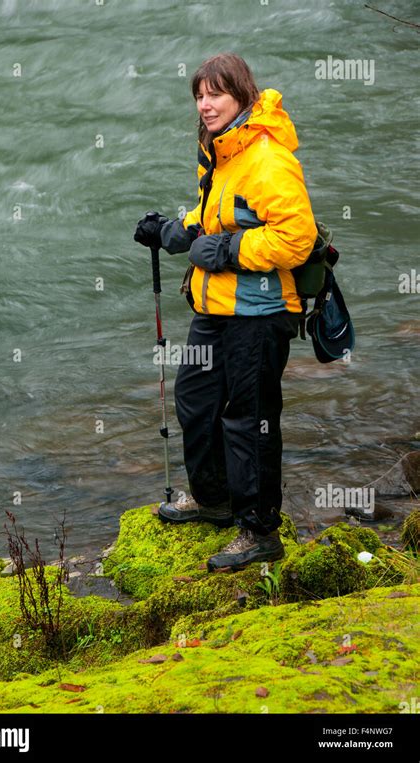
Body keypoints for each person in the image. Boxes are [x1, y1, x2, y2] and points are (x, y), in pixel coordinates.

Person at [134, 53, 318, 571]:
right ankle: (214, 500)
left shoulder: (268, 157)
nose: (205, 103)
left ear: (241, 94)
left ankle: (259, 530)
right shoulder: (221, 152)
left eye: (215, 93)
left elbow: (296, 237)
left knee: (249, 419)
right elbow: (212, 214)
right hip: (215, 307)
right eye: (199, 94)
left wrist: (230, 252)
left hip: (259, 314)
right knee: (195, 398)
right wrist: (173, 231)